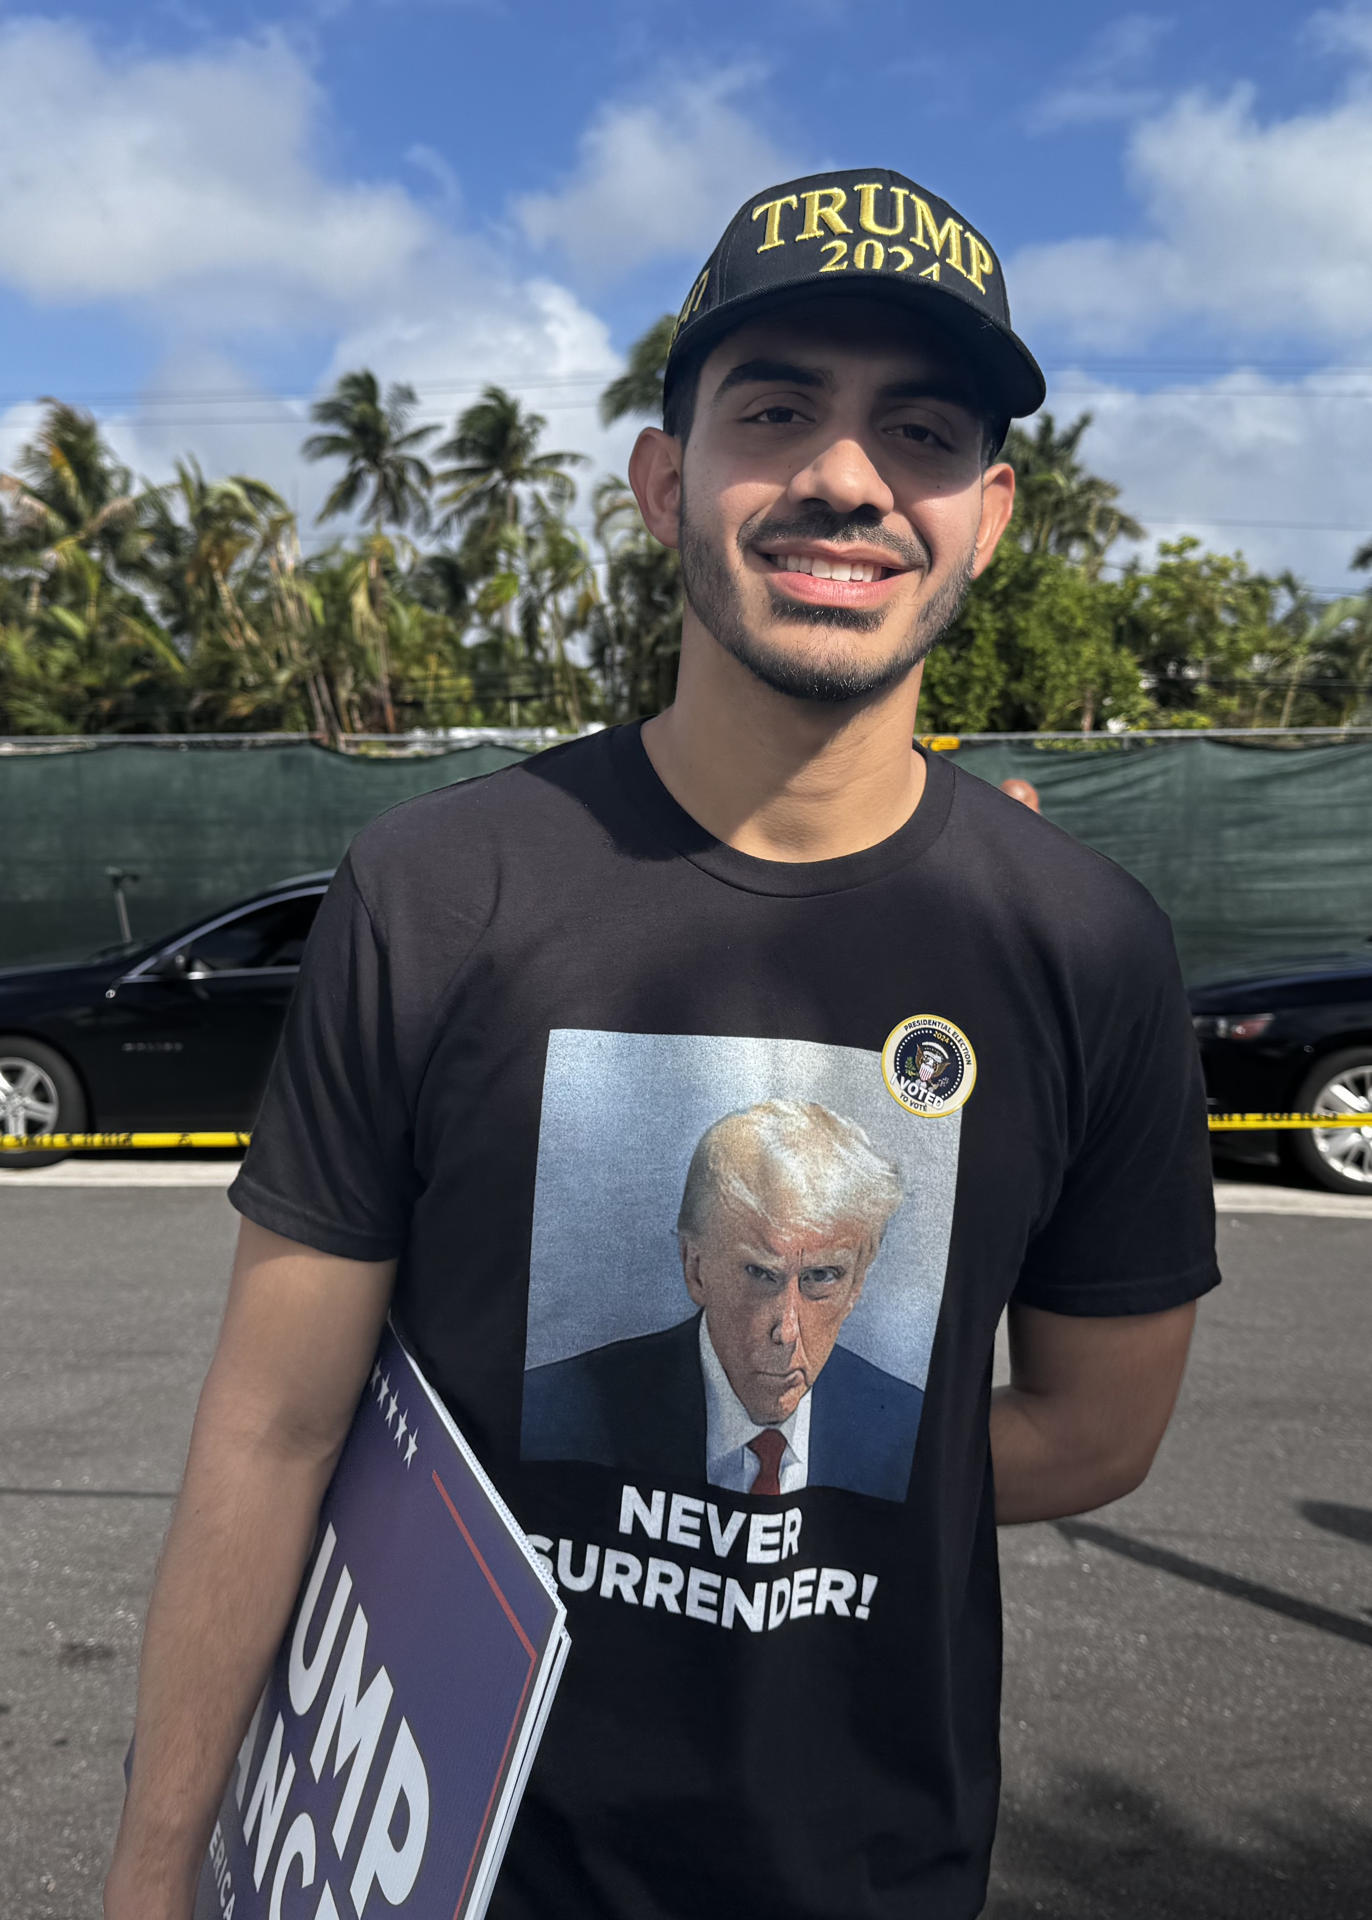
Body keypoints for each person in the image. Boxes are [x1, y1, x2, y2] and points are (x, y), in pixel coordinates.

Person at [106, 167, 1218, 1920]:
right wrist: (155, 1870)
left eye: (917, 432)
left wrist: (793, 1457)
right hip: (443, 1877)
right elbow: (270, 1425)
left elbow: (1093, 1436)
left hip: (871, 1873)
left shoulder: (1085, 945)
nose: (846, 477)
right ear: (661, 479)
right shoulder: (433, 888)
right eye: (775, 410)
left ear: (989, 513)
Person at [522, 1099, 923, 1500]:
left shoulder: (915, 1436)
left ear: (856, 1286)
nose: (786, 1331)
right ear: (695, 1269)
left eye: (820, 1277)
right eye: (761, 1274)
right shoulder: (549, 1416)